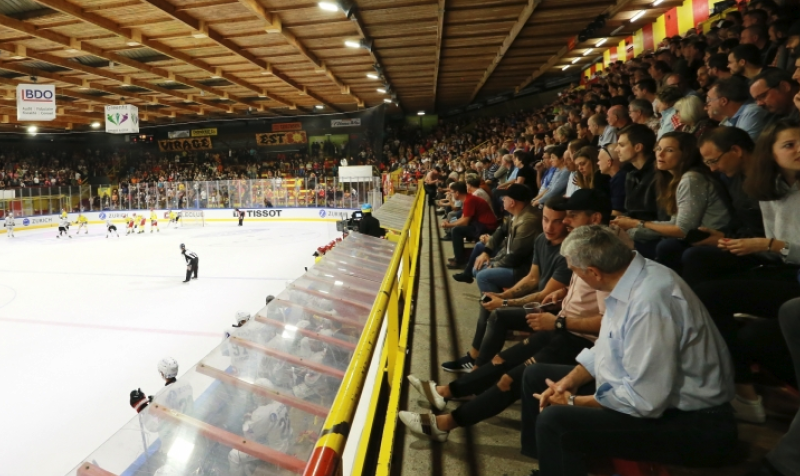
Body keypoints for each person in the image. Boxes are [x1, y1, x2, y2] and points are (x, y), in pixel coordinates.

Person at [520, 225, 736, 476]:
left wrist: (571, 401)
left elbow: (645, 400)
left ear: (593, 273)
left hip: (694, 422)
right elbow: (608, 344)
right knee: (536, 376)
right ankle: (550, 467)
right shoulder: (629, 276)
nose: (574, 276)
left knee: (555, 420)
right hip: (658, 401)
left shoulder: (649, 302)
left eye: (574, 271)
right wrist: (568, 382)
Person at [398, 190, 611, 443]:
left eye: (569, 217)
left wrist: (555, 319)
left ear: (595, 218)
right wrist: (561, 298)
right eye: (548, 219)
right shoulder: (579, 246)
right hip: (562, 326)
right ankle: (447, 391)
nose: (562, 223)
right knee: (502, 358)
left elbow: (607, 323)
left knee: (511, 376)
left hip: (575, 336)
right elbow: (546, 283)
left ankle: (445, 422)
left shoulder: (602, 260)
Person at [694, 119, 800, 424]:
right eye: (788, 145)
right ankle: (737, 386)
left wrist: (769, 244)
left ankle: (743, 391)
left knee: (713, 295)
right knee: (700, 268)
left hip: (791, 273)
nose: (797, 150)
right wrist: (740, 244)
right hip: (782, 269)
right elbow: (774, 249)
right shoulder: (769, 189)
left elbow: (778, 245)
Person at [442, 198, 572, 373]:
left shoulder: (568, 252)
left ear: (567, 222)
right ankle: (474, 358)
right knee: (488, 301)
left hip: (551, 310)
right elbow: (532, 278)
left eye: (557, 222)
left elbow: (545, 296)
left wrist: (503, 303)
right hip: (539, 300)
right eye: (546, 220)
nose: (549, 227)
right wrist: (502, 296)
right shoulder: (541, 239)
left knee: (498, 314)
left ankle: (477, 370)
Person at [612, 132, 731, 269]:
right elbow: (675, 222)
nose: (660, 154)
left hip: (716, 240)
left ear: (686, 154)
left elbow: (683, 229)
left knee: (663, 247)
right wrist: (633, 228)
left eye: (669, 150)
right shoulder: (675, 179)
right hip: (694, 239)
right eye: (658, 149)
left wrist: (637, 224)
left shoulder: (691, 179)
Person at [683, 127, 764, 285]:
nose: (713, 169)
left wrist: (725, 240)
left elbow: (763, 231)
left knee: (695, 258)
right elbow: (739, 221)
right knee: (674, 247)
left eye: (714, 161)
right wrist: (719, 235)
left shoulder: (768, 180)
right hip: (741, 242)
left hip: (762, 250)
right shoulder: (736, 179)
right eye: (708, 163)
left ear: (736, 150)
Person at [462, 184, 541, 289]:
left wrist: (494, 264)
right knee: (479, 261)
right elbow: (500, 232)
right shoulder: (515, 214)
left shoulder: (528, 221)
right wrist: (486, 252)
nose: (502, 199)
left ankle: (496, 303)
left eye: (505, 197)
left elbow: (515, 256)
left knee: (482, 275)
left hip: (522, 269)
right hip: (511, 258)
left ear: (512, 203)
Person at [442, 181, 498, 268]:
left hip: (487, 226)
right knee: (456, 229)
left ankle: (460, 260)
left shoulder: (469, 200)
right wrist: (450, 224)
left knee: (456, 231)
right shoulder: (468, 198)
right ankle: (460, 256)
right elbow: (463, 217)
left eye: (452, 192)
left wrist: (449, 225)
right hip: (480, 224)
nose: (451, 194)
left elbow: (465, 222)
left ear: (457, 193)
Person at [706, 75, 770, 142]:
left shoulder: (752, 112)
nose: (707, 105)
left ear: (723, 101)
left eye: (709, 100)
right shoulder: (729, 120)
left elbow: (744, 148)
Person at [597, 145, 627, 217]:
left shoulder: (620, 179)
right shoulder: (617, 177)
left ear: (609, 162)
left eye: (599, 160)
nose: (598, 163)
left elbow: (617, 213)